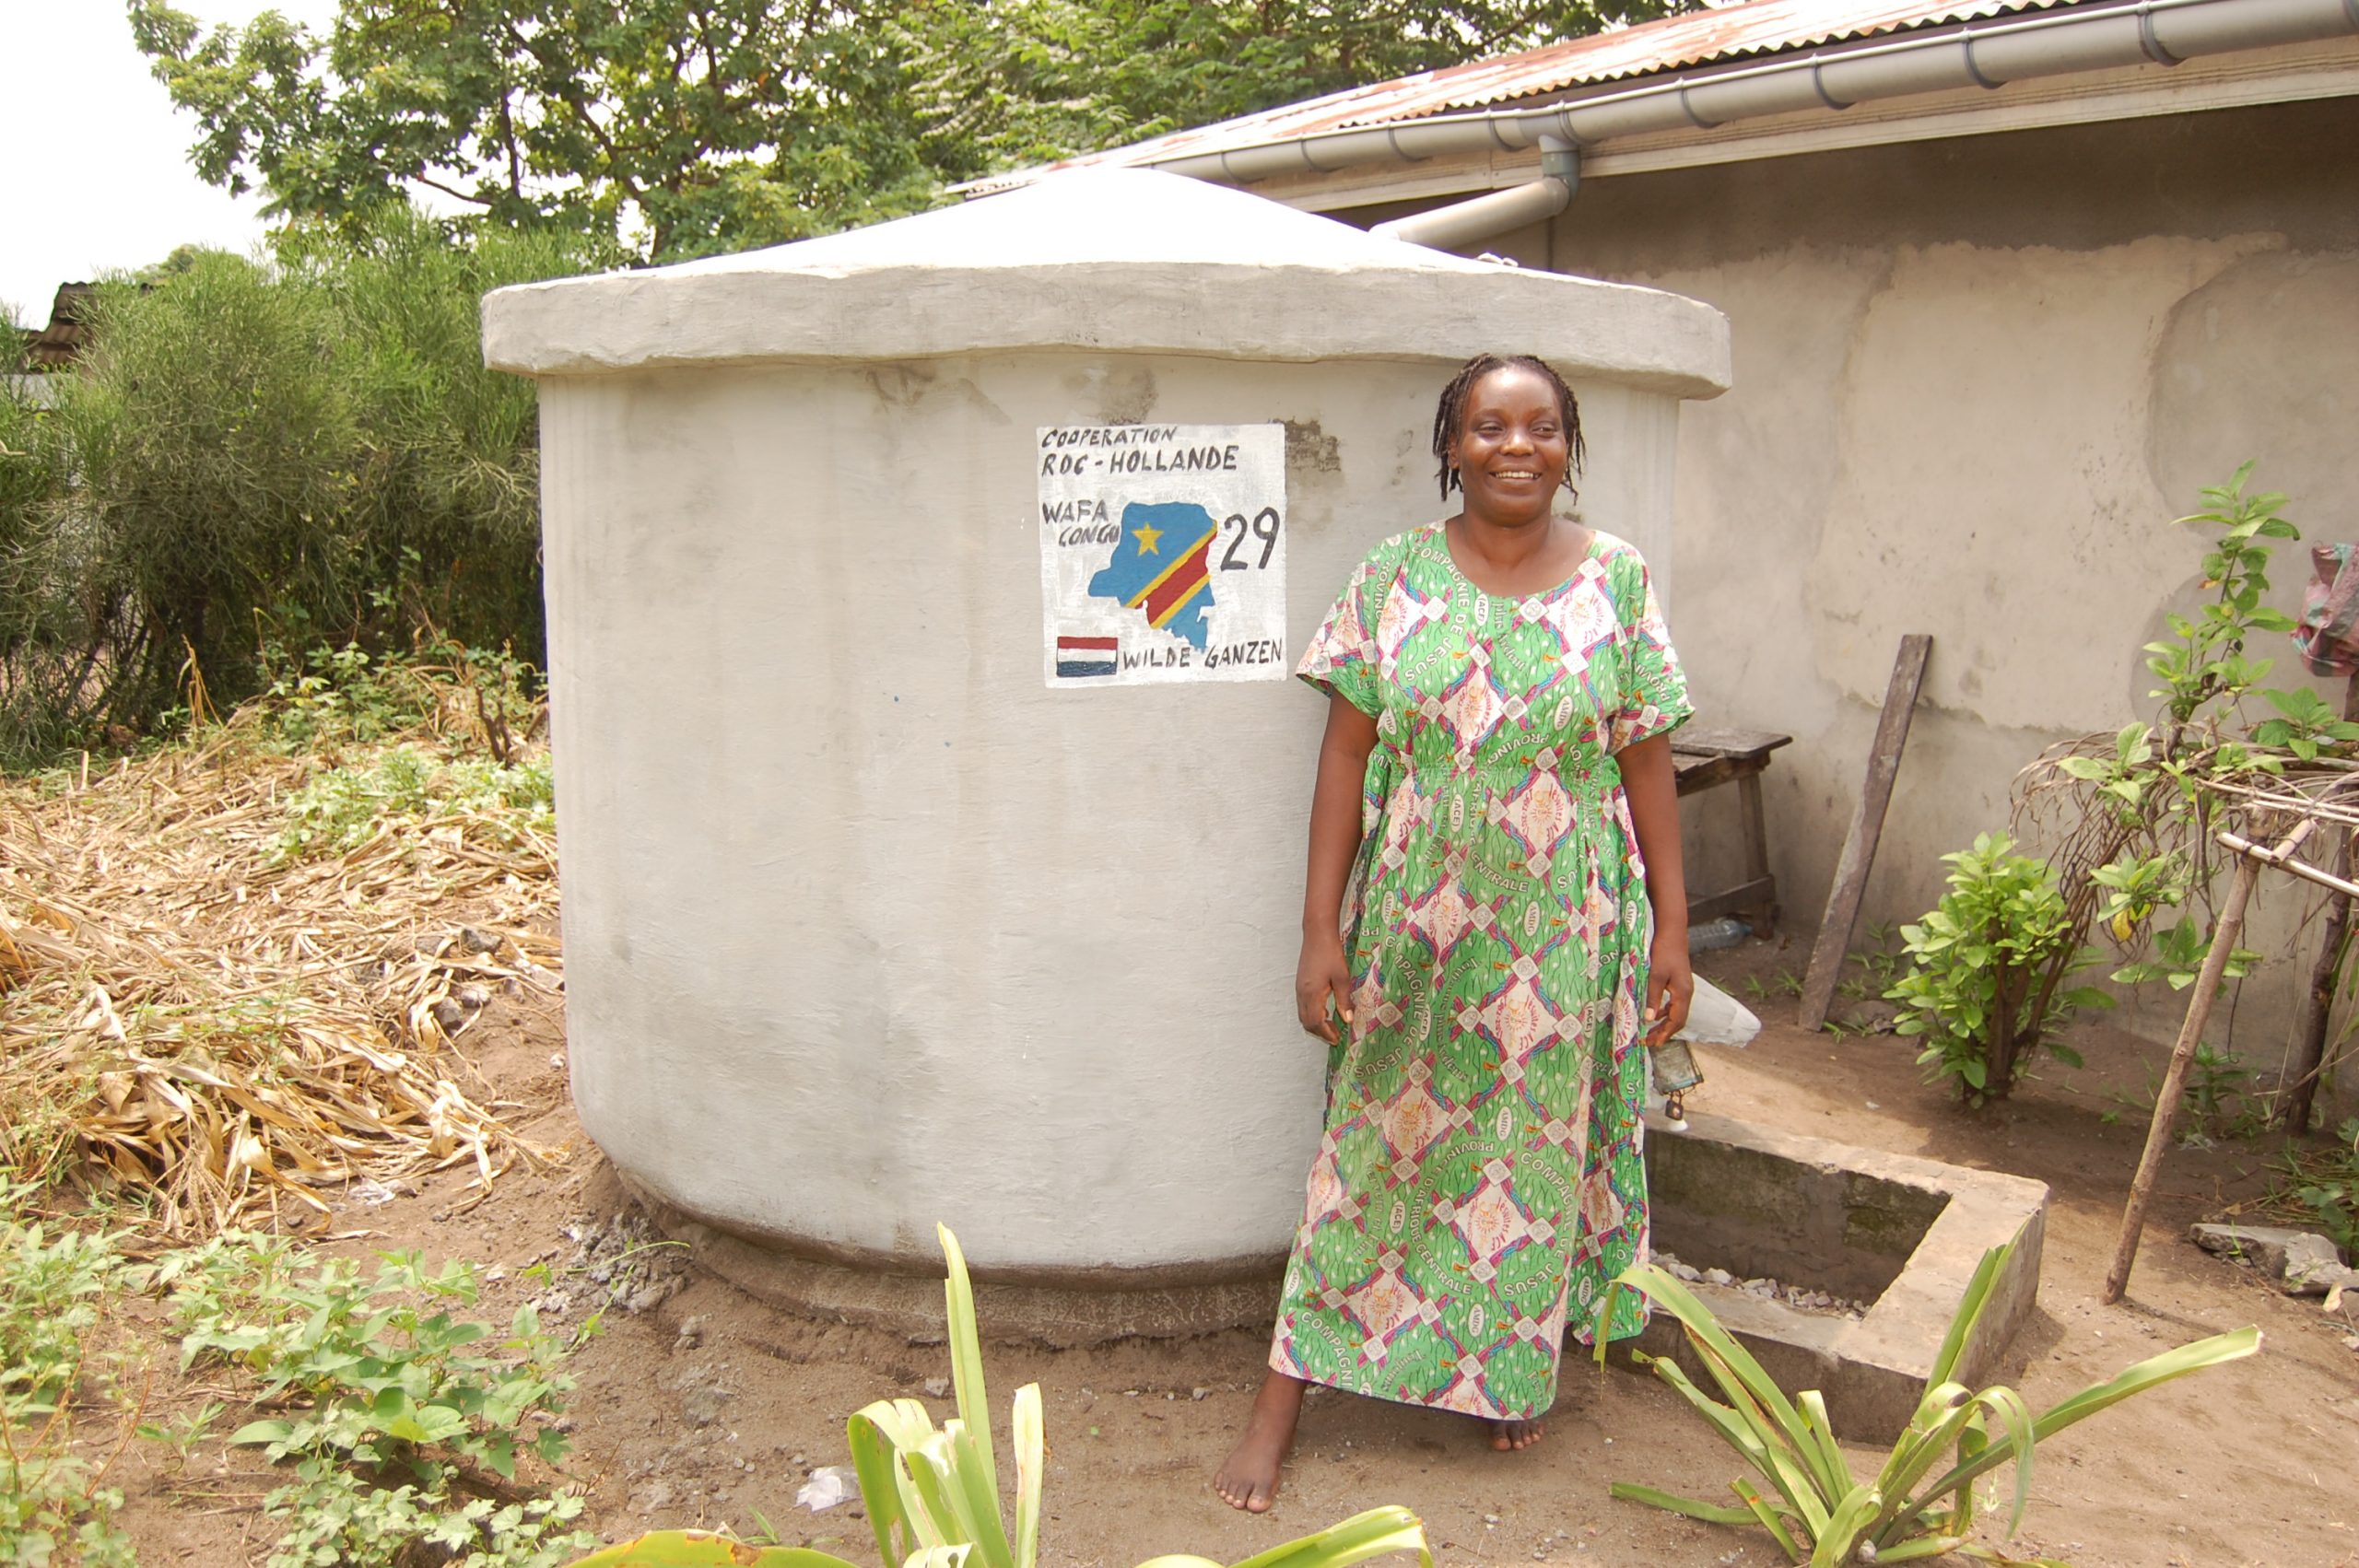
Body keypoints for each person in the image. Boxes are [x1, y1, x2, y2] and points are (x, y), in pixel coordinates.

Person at [1215, 354, 1694, 1514]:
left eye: (1540, 426)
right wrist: (1318, 930)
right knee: (1368, 1146)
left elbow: (1645, 762)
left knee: (1532, 1154)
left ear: (1568, 445)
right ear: (1451, 445)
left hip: (1566, 925)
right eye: (1488, 426)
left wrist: (1673, 930)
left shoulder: (1619, 579)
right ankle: (1283, 1395)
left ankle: (1506, 1371)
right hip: (1415, 918)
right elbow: (1344, 755)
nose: (1514, 446)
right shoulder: (1391, 576)